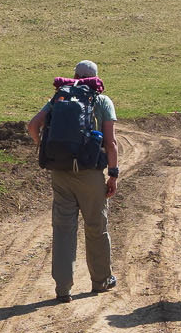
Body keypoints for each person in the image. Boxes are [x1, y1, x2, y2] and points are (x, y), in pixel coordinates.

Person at [25, 59, 120, 303]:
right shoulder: (101, 101)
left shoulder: (60, 97)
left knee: (64, 230)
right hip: (90, 172)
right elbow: (110, 142)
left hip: (61, 171)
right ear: (95, 78)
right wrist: (113, 173)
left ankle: (62, 289)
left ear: (75, 75)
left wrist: (44, 148)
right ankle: (100, 280)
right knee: (96, 226)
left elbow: (33, 126)